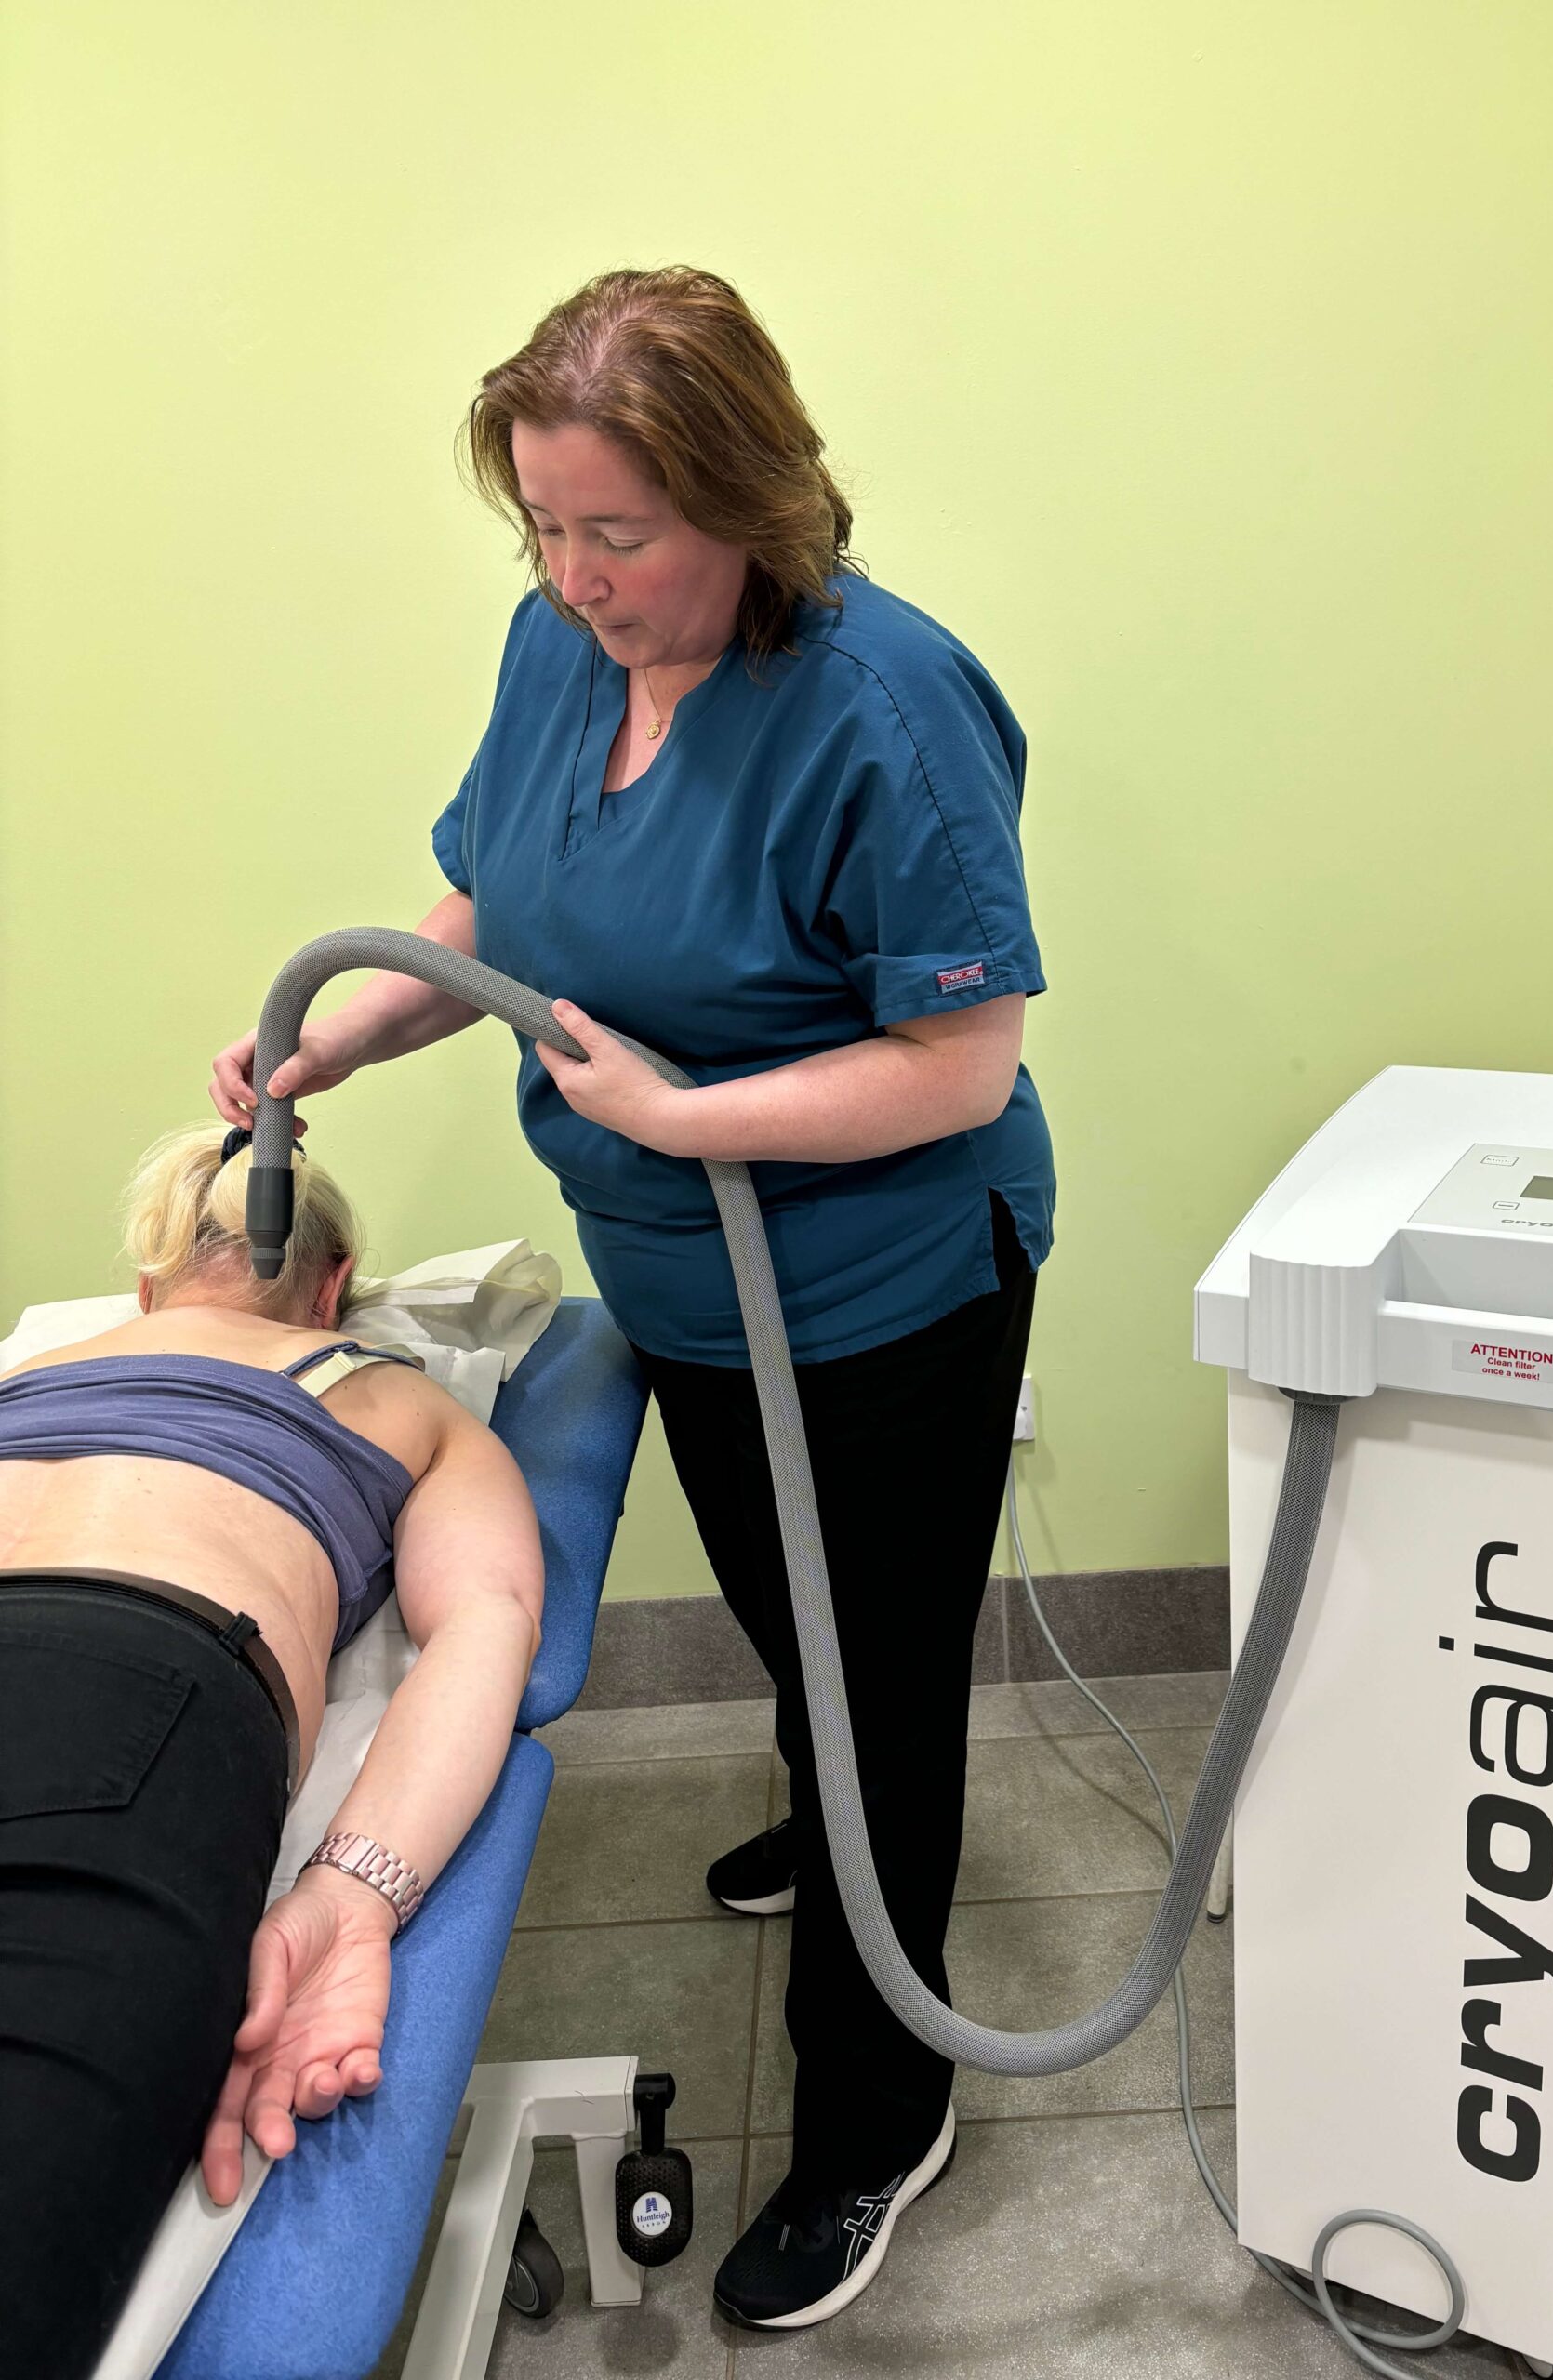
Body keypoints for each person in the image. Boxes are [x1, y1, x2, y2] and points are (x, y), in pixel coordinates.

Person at [210, 264, 1054, 2331]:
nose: (577, 576)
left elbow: (965, 1058)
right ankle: (825, 1804)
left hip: (880, 1286)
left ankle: (879, 2114)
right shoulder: (555, 651)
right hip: (679, 1271)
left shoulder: (884, 702)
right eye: (545, 527)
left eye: (620, 532)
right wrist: (350, 1038)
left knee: (881, 1677)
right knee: (787, 1610)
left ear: (752, 496)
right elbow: (497, 896)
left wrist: (693, 1116)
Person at [0, 1126, 544, 2380]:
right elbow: (489, 1624)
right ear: (338, 1281)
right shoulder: (389, 1393)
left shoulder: (38, 1367)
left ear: (146, 1288)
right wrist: (352, 1892)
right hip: (124, 1692)